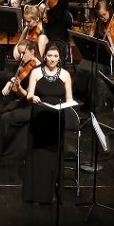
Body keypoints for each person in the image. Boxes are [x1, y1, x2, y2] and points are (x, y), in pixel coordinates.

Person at [23, 43, 75, 204]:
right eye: (49, 56)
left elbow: (69, 99)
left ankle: (50, 192)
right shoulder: (36, 72)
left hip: (57, 119)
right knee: (38, 157)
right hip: (39, 116)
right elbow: (29, 95)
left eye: (55, 56)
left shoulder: (66, 75)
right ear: (44, 56)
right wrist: (33, 98)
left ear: (59, 58)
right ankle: (35, 192)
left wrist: (69, 104)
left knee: (53, 157)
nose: (52, 59)